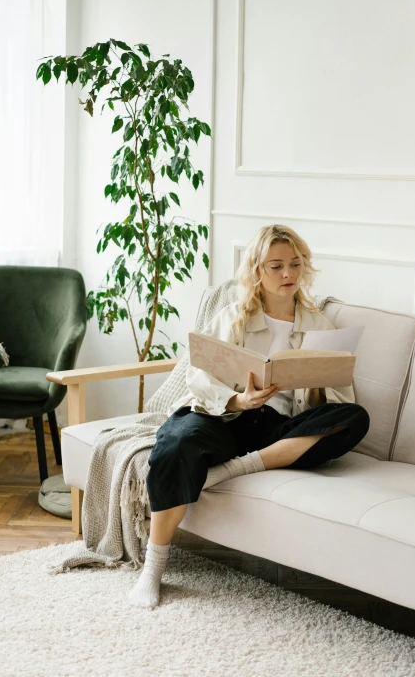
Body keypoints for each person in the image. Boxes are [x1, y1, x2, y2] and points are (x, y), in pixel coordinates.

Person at [129, 224, 370, 609]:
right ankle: (153, 569)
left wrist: (316, 388)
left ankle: (232, 470)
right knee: (176, 443)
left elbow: (340, 397)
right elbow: (199, 376)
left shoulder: (319, 327)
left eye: (295, 264)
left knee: (354, 417)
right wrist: (238, 400)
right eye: (276, 266)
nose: (288, 274)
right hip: (226, 418)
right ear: (257, 270)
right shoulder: (232, 317)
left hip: (279, 432)